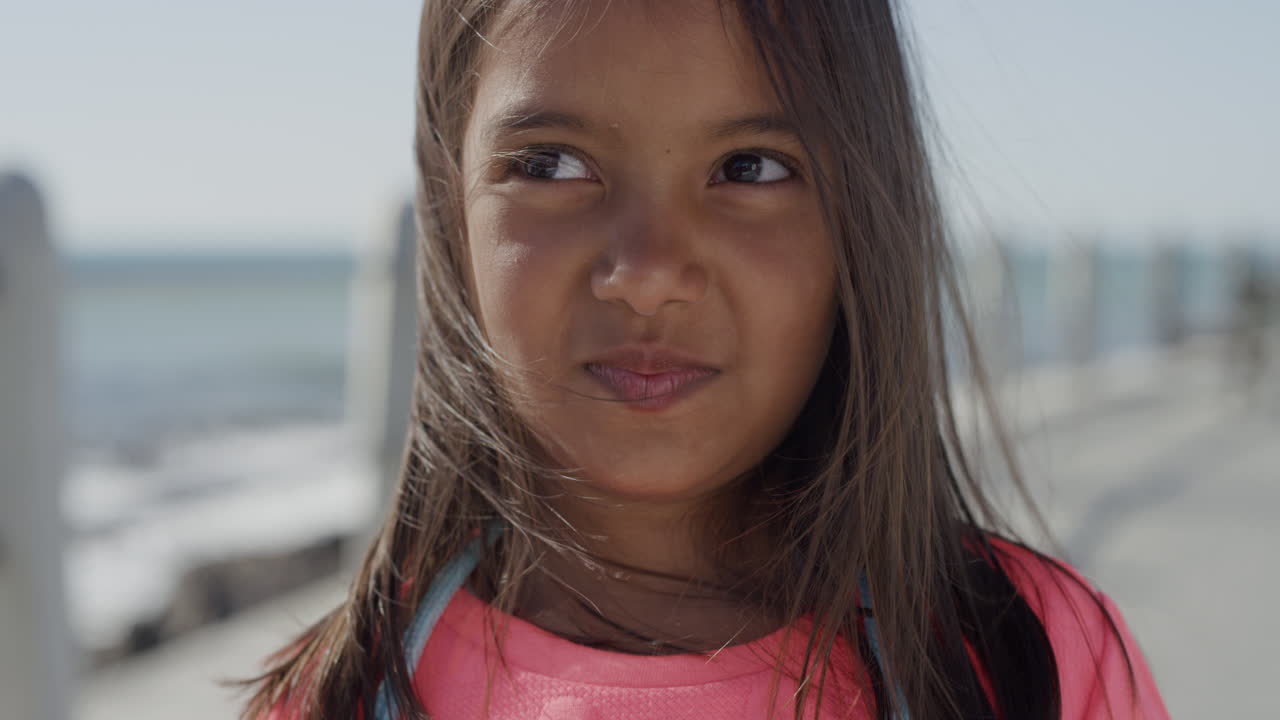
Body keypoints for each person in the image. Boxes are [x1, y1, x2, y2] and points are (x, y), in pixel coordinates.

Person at [243, 1, 1169, 717]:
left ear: (864, 217)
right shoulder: (346, 695)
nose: (646, 276)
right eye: (552, 164)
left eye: (750, 168)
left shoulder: (1020, 663)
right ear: (452, 211)